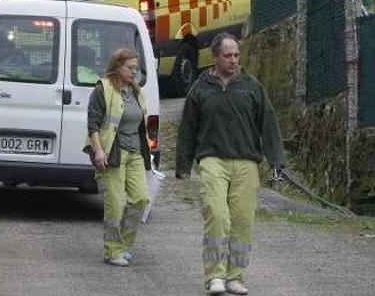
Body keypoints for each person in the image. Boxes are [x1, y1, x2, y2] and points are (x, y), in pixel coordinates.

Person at [175, 32, 285, 295]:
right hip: (212, 160)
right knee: (217, 215)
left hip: (246, 162)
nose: (234, 60)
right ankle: (215, 276)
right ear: (214, 58)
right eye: (228, 55)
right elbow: (187, 128)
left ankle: (235, 276)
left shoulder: (251, 86)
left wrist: (276, 159)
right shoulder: (200, 89)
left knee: (242, 220)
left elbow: (268, 124)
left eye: (236, 55)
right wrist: (183, 164)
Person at [83, 48, 151, 267]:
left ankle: (124, 245)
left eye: (136, 68)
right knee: (116, 203)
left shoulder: (137, 92)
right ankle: (113, 250)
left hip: (135, 153)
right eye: (130, 68)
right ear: (118, 66)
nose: (134, 72)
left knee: (140, 199)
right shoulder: (103, 89)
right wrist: (99, 150)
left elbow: (142, 125)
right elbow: (93, 122)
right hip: (112, 153)